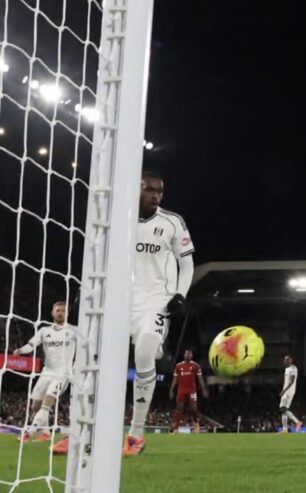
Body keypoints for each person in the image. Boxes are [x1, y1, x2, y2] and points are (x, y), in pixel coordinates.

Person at [123, 170, 195, 456]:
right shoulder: (121, 219)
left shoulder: (172, 222)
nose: (155, 195)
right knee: (95, 358)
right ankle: (80, 432)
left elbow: (187, 264)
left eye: (159, 191)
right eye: (149, 189)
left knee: (143, 352)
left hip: (157, 300)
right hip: (123, 299)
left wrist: (179, 294)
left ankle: (136, 435)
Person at [13, 301, 75, 443]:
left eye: (63, 311)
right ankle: (46, 433)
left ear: (67, 314)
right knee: (35, 405)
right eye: (58, 310)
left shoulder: (73, 331)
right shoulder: (44, 331)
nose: (60, 313)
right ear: (52, 313)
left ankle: (29, 431)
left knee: (47, 401)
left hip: (63, 374)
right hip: (47, 372)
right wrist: (21, 350)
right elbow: (31, 344)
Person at [169, 350, 207, 433]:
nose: (187, 355)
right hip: (181, 391)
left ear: (192, 355)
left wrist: (204, 389)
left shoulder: (196, 366)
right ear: (184, 355)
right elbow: (175, 379)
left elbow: (200, 378)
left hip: (191, 391)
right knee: (179, 409)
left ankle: (196, 425)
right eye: (186, 354)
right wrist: (171, 390)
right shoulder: (179, 366)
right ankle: (176, 429)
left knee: (193, 409)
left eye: (189, 354)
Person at [279, 355, 303, 433]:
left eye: (288, 359)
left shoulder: (293, 368)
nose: (286, 361)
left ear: (291, 360)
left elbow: (292, 381)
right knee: (284, 410)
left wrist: (284, 390)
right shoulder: (286, 369)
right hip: (286, 391)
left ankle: (297, 422)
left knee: (282, 408)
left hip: (289, 391)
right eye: (285, 360)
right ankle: (285, 429)